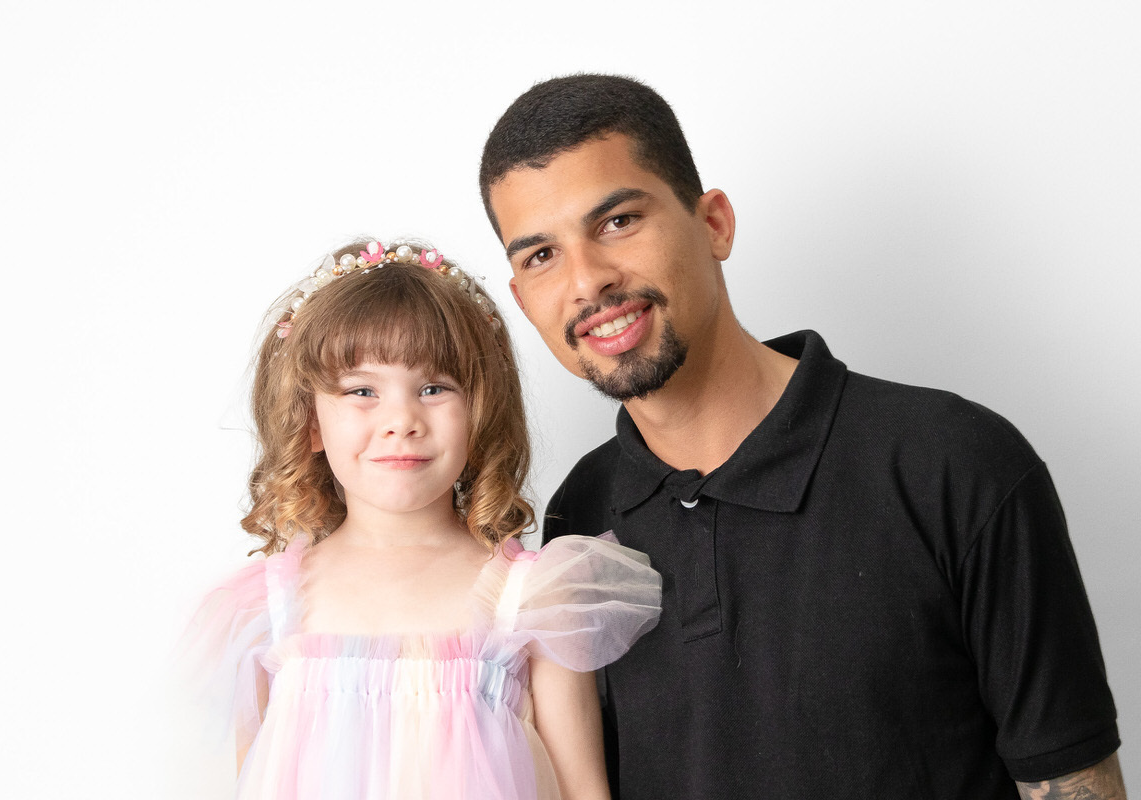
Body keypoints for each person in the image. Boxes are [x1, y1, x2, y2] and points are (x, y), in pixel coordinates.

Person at [479, 75, 1126, 800]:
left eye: (618, 221)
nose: (587, 281)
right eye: (541, 255)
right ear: (522, 299)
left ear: (715, 224)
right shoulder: (576, 518)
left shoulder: (956, 465)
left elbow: (1073, 783)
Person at [187, 239, 662, 799]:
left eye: (434, 388)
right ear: (310, 421)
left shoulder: (532, 600)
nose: (402, 419)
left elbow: (582, 789)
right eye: (362, 390)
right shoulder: (266, 610)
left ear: (478, 414)